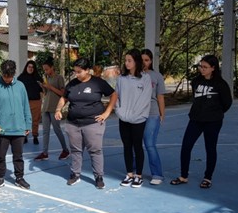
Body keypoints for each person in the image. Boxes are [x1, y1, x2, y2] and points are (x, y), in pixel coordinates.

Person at [170, 55, 232, 188]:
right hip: (196, 120)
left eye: (205, 67)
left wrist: (215, 113)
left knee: (210, 148)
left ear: (213, 68)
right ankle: (183, 176)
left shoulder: (221, 84)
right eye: (200, 66)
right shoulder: (196, 82)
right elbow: (196, 99)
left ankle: (208, 178)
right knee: (186, 146)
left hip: (213, 121)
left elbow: (227, 103)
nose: (202, 69)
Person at [55, 57, 117, 189]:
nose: (76, 74)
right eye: (75, 72)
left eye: (79, 72)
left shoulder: (98, 83)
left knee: (95, 150)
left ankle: (98, 176)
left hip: (92, 123)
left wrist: (107, 113)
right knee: (76, 150)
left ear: (87, 70)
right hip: (73, 123)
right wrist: (58, 109)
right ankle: (75, 174)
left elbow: (113, 94)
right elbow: (64, 97)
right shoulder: (72, 84)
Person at [0, 60, 32, 191]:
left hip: (18, 129)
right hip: (2, 130)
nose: (7, 79)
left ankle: (19, 178)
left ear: (14, 73)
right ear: (1, 73)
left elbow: (26, 107)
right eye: (5, 76)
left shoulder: (21, 86)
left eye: (10, 76)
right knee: (0, 156)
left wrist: (28, 124)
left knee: (18, 156)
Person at [115, 49, 152, 188]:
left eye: (129, 60)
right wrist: (119, 112)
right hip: (123, 119)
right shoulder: (121, 78)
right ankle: (129, 174)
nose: (126, 63)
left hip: (138, 120)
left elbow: (145, 99)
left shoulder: (145, 78)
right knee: (127, 146)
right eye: (125, 60)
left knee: (138, 147)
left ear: (136, 61)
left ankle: (139, 176)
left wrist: (135, 115)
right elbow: (116, 96)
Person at [33, 57, 69, 161]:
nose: (46, 71)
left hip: (54, 108)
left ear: (52, 67)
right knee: (45, 131)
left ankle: (65, 150)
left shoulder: (59, 78)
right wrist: (43, 87)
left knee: (57, 130)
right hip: (46, 107)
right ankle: (45, 153)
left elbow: (62, 93)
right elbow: (46, 93)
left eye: (47, 69)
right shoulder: (47, 78)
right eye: (44, 70)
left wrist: (50, 87)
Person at [141, 49, 167, 185]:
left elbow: (160, 96)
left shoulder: (156, 76)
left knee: (149, 144)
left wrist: (162, 114)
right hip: (136, 115)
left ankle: (157, 174)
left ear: (151, 61)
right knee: (135, 144)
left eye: (147, 60)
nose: (144, 63)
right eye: (142, 60)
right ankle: (134, 171)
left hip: (152, 114)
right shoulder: (133, 76)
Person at [17, 60, 43, 145]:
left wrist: (41, 101)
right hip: (24, 102)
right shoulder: (21, 78)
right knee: (24, 120)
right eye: (29, 67)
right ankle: (25, 136)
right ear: (26, 67)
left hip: (36, 101)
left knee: (35, 120)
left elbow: (42, 90)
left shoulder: (38, 78)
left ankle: (35, 136)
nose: (30, 69)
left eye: (32, 67)